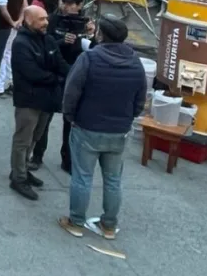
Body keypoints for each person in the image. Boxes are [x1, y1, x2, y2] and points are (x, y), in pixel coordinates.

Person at [59, 15, 146, 240]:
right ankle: (109, 226)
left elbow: (72, 91)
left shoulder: (89, 59)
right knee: (113, 179)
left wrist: (70, 116)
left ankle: (76, 221)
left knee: (82, 177)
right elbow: (140, 98)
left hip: (87, 126)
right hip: (119, 130)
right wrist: (128, 118)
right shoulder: (135, 62)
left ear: (100, 35)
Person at [9, 5, 70, 201]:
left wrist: (71, 75)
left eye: (46, 18)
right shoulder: (21, 43)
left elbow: (61, 65)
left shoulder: (49, 40)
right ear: (28, 20)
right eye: (41, 19)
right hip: (28, 100)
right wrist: (58, 79)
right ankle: (18, 178)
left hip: (46, 100)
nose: (46, 22)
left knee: (35, 137)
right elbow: (32, 74)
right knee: (23, 140)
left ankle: (23, 170)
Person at [31, 0, 93, 173]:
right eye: (63, 2)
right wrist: (61, 42)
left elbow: (94, 51)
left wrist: (92, 36)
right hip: (53, 76)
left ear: (80, 5)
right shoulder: (50, 20)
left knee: (70, 121)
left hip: (75, 77)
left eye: (71, 3)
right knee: (44, 118)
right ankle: (37, 155)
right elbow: (41, 46)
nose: (66, 7)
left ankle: (68, 159)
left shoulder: (87, 24)